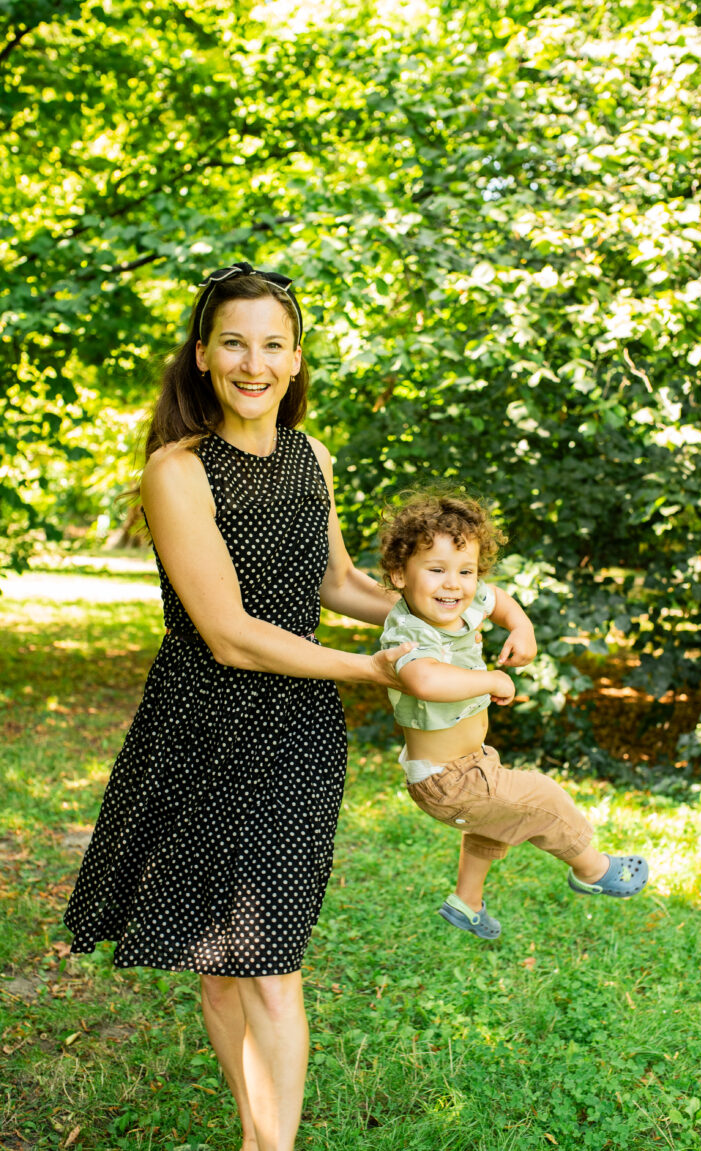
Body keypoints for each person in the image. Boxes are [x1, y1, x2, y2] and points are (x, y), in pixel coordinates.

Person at [64, 261, 421, 1151]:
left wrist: (461, 608)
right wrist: (371, 670)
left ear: (296, 360)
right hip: (200, 727)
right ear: (203, 354)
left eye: (272, 345)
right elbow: (227, 633)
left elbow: (338, 582)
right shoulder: (177, 471)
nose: (253, 363)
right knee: (219, 964)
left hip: (297, 734)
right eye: (233, 343)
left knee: (271, 962)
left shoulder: (312, 457)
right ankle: (258, 1132)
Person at [378, 491, 649, 941]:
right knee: (542, 798)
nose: (454, 584)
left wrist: (522, 627)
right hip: (447, 780)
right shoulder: (409, 631)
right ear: (398, 574)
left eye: (466, 571)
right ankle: (593, 870)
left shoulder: (462, 602)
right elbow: (423, 680)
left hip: (470, 764)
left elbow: (497, 600)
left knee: (495, 820)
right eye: (436, 570)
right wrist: (492, 680)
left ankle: (467, 901)